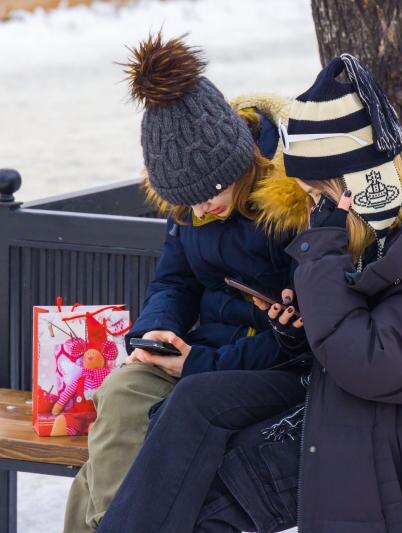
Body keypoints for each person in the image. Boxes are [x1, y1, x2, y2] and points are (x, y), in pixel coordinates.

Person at [98, 53, 402, 533]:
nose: (312, 211)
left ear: (349, 185)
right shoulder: (384, 218)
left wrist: (320, 250)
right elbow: (348, 338)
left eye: (317, 198)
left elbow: (367, 360)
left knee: (214, 500)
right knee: (189, 423)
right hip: (369, 399)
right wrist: (291, 329)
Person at [63, 34, 299, 533]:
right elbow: (173, 281)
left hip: (266, 368)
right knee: (122, 390)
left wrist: (200, 363)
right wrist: (153, 336)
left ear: (237, 162)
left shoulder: (289, 208)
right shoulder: (191, 210)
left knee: (106, 465)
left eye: (208, 196)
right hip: (198, 357)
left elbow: (299, 337)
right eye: (185, 202)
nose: (198, 211)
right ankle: (113, 523)